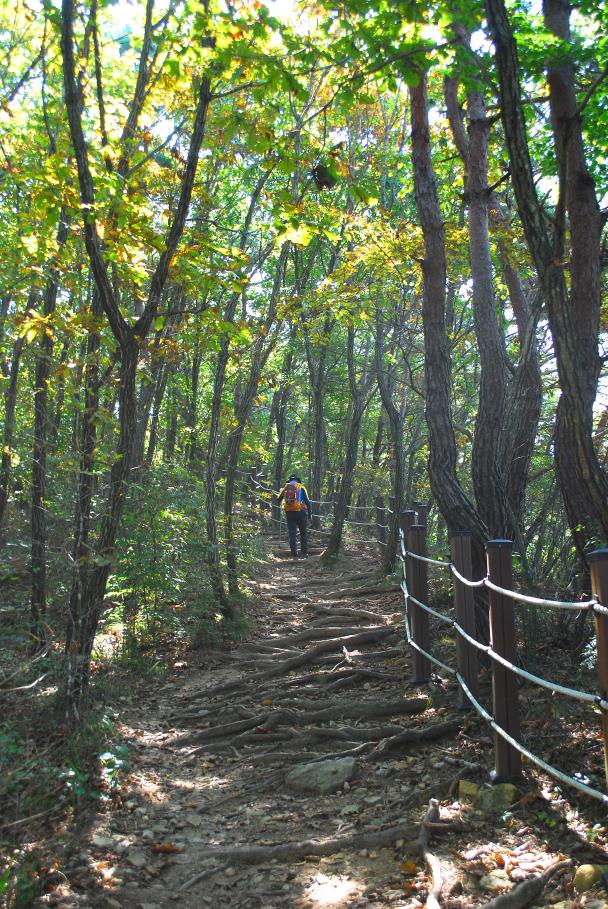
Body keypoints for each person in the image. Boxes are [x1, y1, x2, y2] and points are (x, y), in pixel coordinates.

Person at [277, 474, 312, 559]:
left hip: (289, 513)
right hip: (301, 513)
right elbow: (308, 502)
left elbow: (278, 500)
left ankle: (294, 555)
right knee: (303, 534)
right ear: (298, 481)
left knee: (292, 534)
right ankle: (304, 554)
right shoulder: (302, 488)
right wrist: (310, 515)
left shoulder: (285, 488)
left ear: (289, 480)